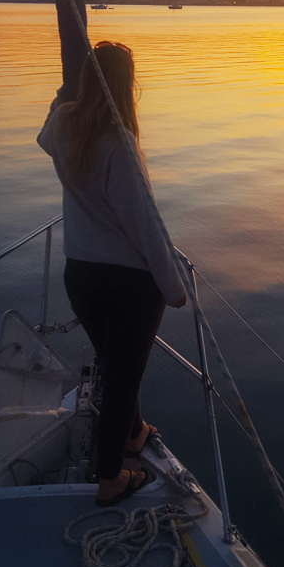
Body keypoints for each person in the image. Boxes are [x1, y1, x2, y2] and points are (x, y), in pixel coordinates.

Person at [38, 39, 192, 506]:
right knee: (123, 376)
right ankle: (110, 478)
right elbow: (143, 222)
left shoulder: (65, 126)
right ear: (128, 86)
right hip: (129, 283)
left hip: (81, 276)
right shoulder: (119, 144)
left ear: (86, 81)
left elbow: (43, 138)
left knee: (116, 363)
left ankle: (134, 435)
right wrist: (173, 289)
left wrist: (64, 95)